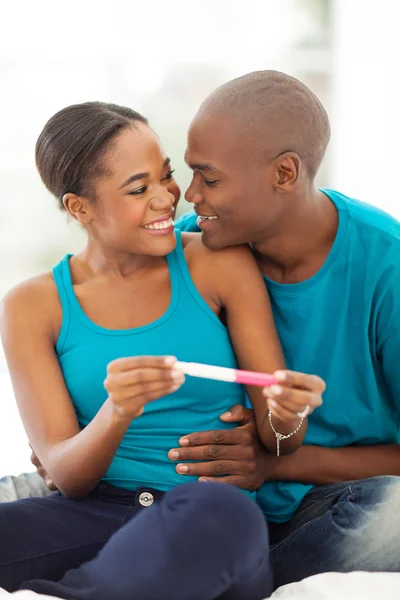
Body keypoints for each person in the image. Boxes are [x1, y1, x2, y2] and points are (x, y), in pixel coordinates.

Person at [0, 101, 323, 598]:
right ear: (80, 208)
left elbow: (280, 440)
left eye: (165, 176)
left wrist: (288, 416)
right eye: (138, 188)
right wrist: (118, 411)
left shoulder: (217, 264)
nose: (168, 198)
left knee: (223, 513)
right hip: (93, 511)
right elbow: (67, 477)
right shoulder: (31, 305)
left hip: (203, 514)